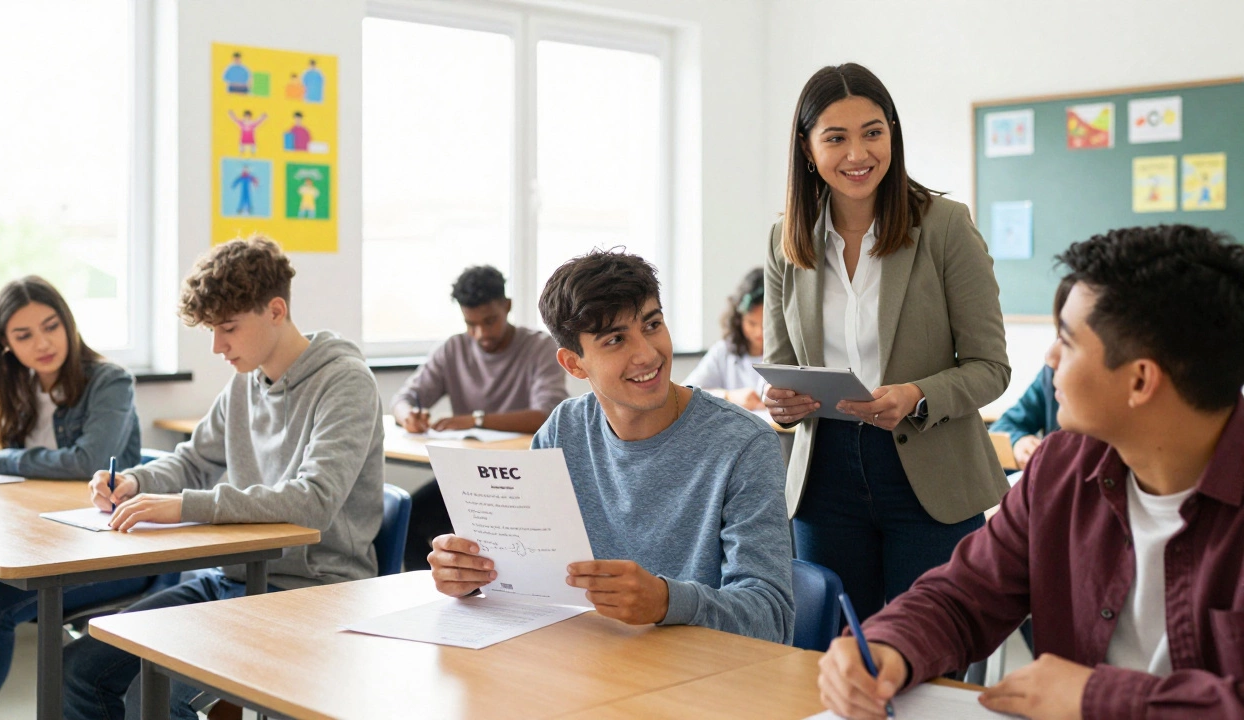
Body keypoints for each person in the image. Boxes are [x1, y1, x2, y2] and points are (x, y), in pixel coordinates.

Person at [817, 224, 1244, 720]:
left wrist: (1094, 697)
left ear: (1140, 380)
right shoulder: (1062, 467)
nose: (1050, 357)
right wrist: (889, 646)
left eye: (1067, 341)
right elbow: (964, 596)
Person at [62, 236, 385, 720]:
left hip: (311, 592)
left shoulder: (346, 382)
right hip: (234, 580)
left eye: (228, 328)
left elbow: (314, 501)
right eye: (212, 330)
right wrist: (135, 482)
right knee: (79, 668)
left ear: (276, 311)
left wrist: (185, 506)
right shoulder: (245, 381)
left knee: (150, 693)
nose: (217, 346)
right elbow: (194, 460)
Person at [427, 249, 795, 643]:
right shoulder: (562, 432)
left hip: (701, 671)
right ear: (574, 364)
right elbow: (531, 578)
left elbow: (772, 619)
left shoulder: (744, 444)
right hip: (587, 658)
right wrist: (473, 576)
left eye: (652, 325)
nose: (647, 354)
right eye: (616, 339)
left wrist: (667, 602)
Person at [763, 63, 1010, 624]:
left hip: (930, 475)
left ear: (892, 135)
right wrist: (782, 405)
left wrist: (916, 395)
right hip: (824, 480)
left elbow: (990, 367)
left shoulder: (945, 226)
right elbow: (782, 369)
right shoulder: (785, 240)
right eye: (836, 138)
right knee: (837, 648)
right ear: (807, 148)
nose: (858, 153)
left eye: (873, 132)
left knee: (930, 648)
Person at [0, 277, 144, 720]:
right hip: (37, 540)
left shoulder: (109, 381)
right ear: (5, 344)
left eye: (50, 326)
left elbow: (88, 460)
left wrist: (2, 459)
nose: (42, 344)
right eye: (23, 335)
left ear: (68, 323)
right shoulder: (14, 384)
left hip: (113, 551)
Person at [390, 265, 567, 571]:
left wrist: (476, 420)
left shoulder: (539, 347)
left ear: (507, 306)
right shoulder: (454, 349)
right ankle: (430, 590)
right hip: (468, 475)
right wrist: (409, 416)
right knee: (409, 518)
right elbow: (402, 399)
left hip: (520, 479)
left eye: (489, 321)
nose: (481, 334)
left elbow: (548, 414)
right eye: (470, 324)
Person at [990, 281, 1072, 470]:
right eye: (1059, 335)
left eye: (1070, 341)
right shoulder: (1051, 375)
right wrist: (1018, 442)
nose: (1050, 357)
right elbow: (1005, 425)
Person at [682, 267, 767, 410]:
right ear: (739, 319)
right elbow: (686, 392)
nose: (759, 332)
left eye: (766, 324)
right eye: (751, 323)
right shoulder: (723, 351)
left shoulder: (791, 354)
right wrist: (728, 396)